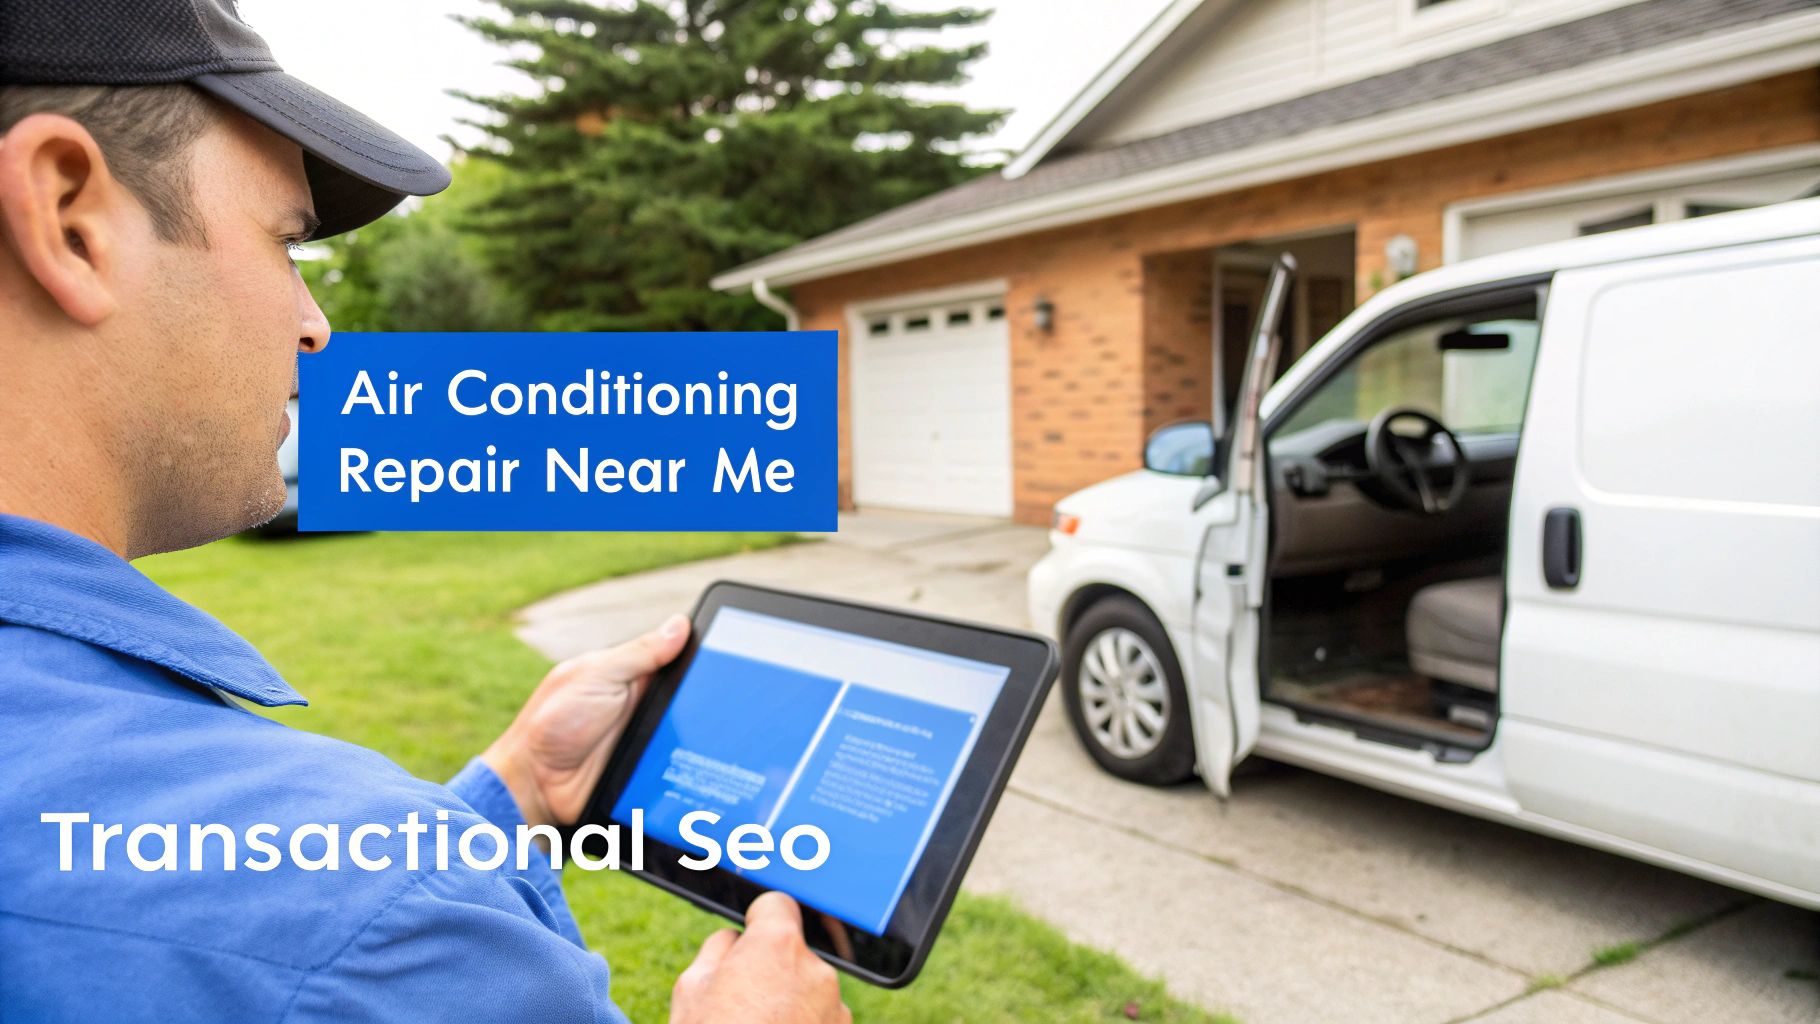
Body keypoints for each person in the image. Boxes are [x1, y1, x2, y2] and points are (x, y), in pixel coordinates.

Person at [0, 2, 849, 1021]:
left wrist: (515, 787)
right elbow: (328, 923)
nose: (315, 325)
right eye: (287, 242)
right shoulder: (382, 935)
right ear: (69, 217)